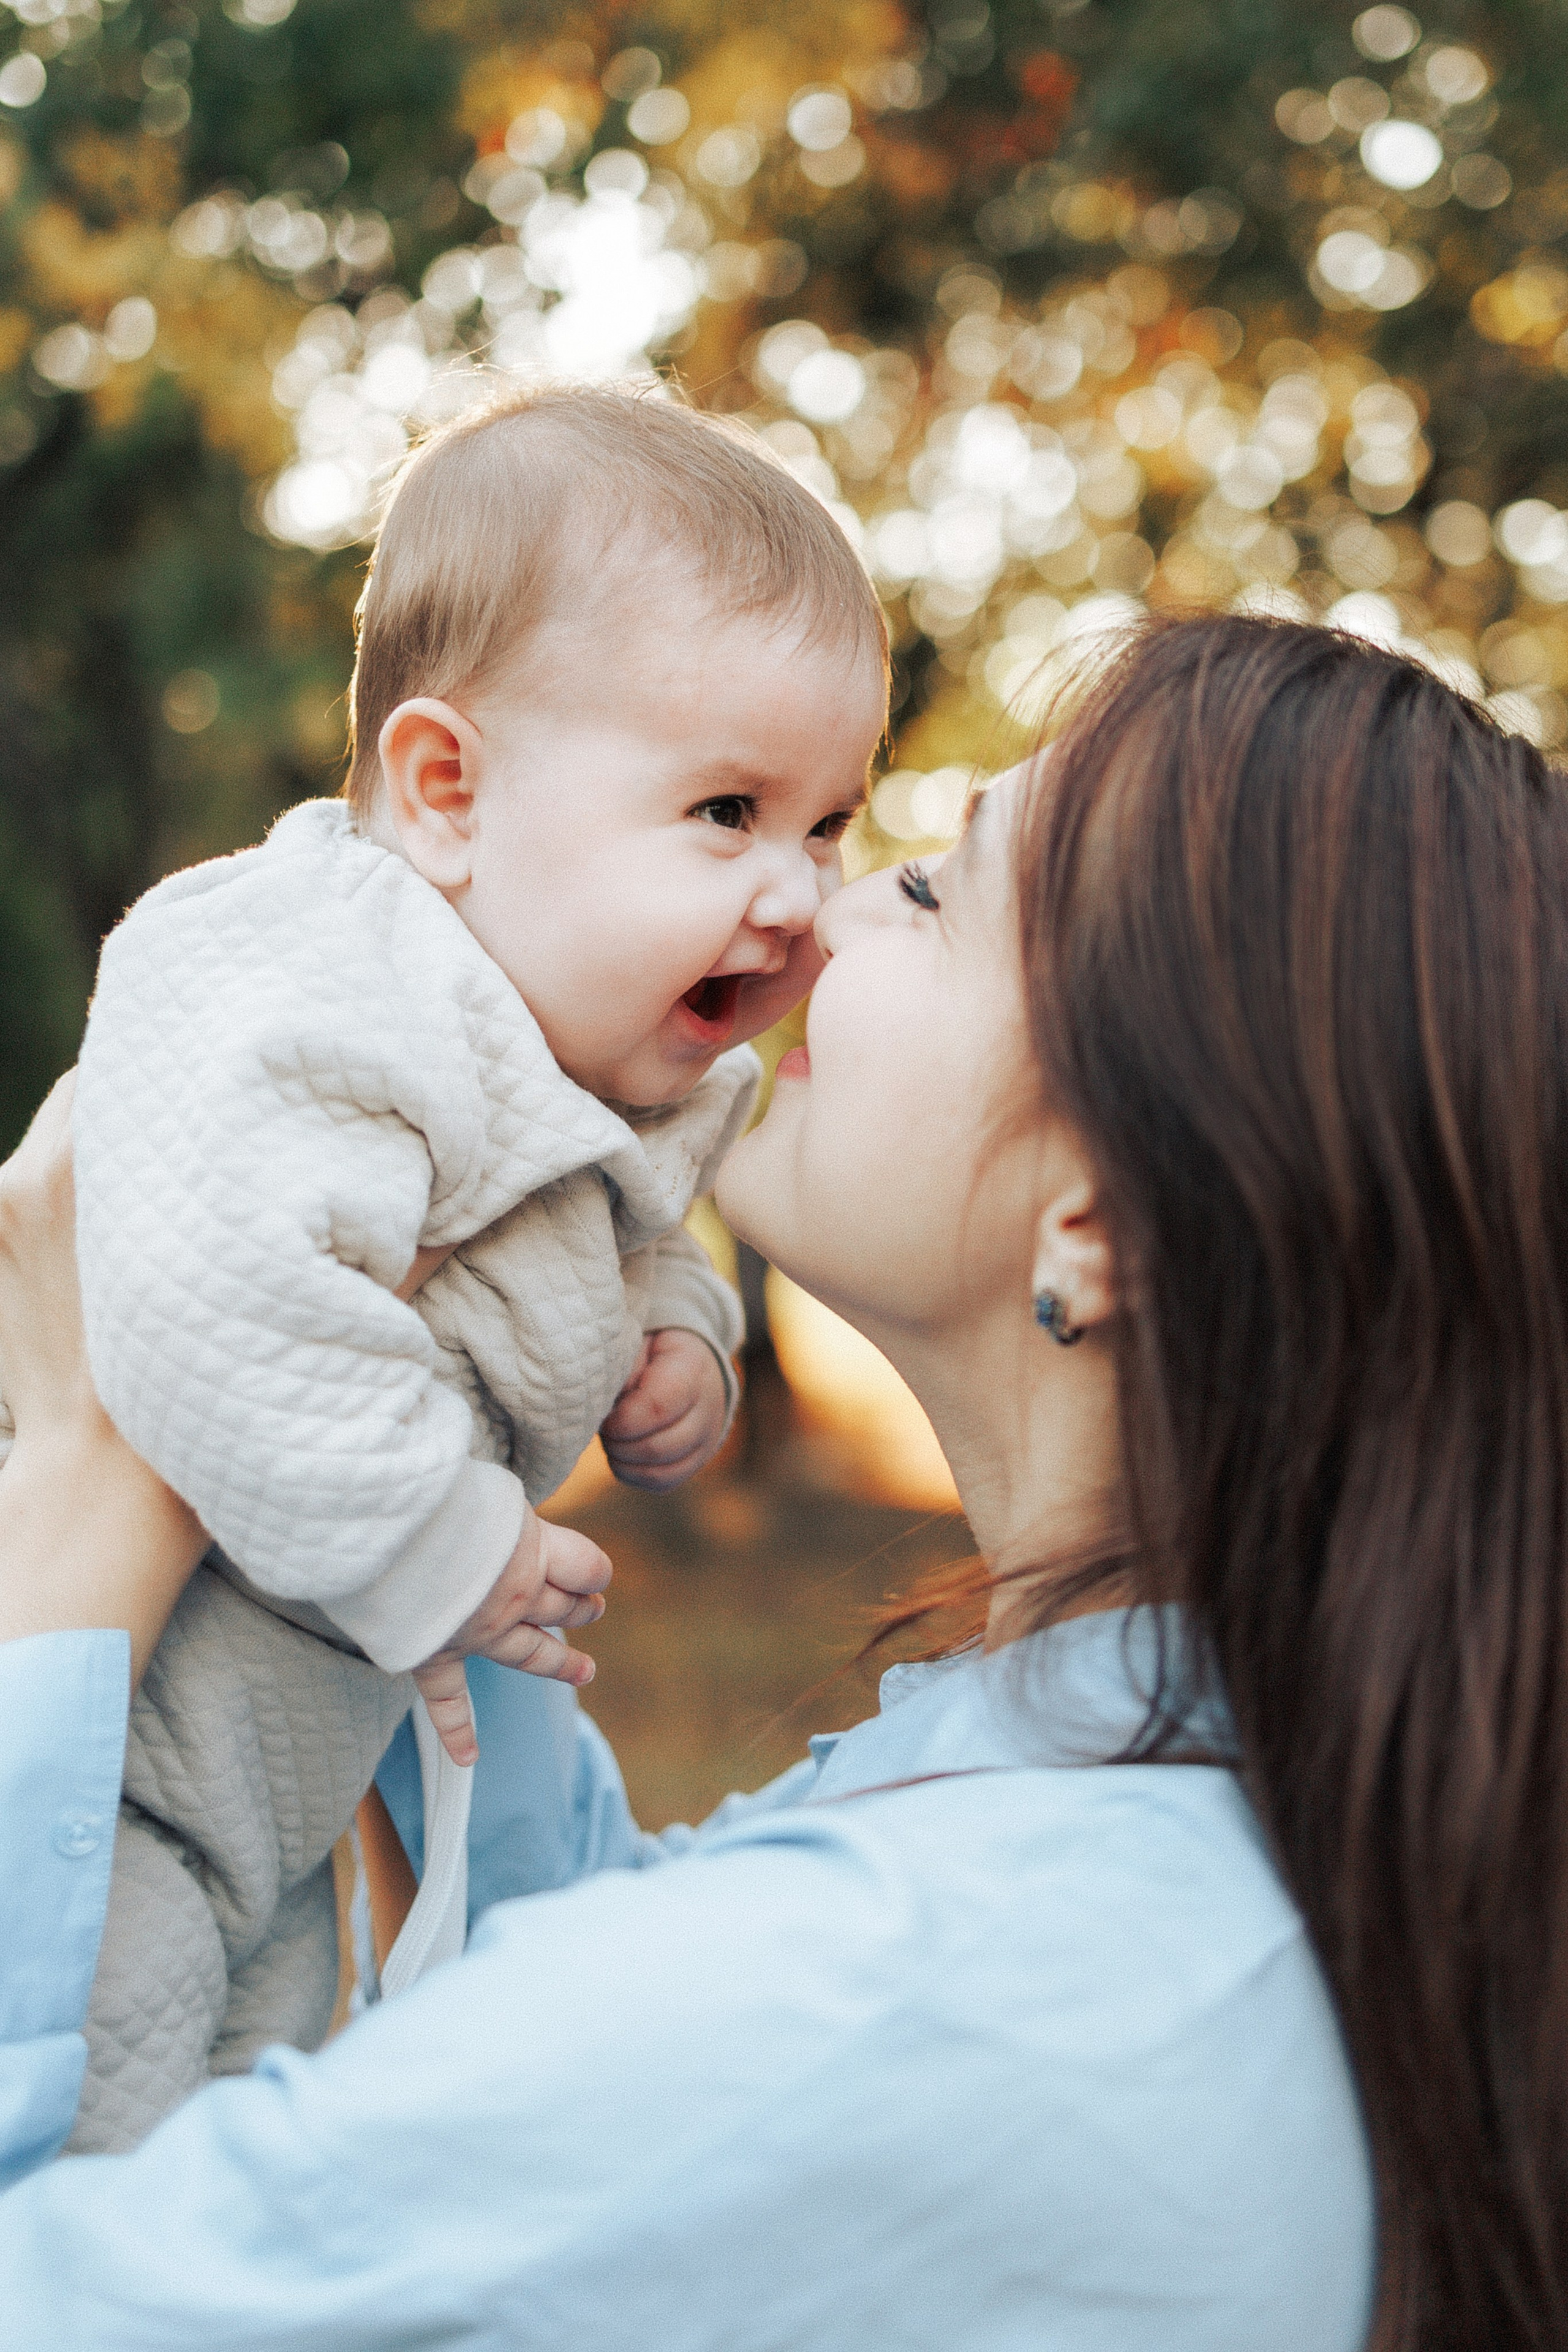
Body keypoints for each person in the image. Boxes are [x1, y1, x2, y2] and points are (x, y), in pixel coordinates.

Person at [2, 611, 1561, 2346]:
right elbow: (592, 1987)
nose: (820, 905)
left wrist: (82, 1511)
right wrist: (424, 1447)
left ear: (1102, 1221)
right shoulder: (1140, 1800)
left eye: (935, 890)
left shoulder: (911, 1984)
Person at [12, 382, 889, 2153]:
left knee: (241, 2120)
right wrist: (446, 1546)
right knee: (91, 2136)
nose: (798, 894)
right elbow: (214, 1309)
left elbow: (629, 1232)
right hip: (99, 1721)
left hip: (278, 1761)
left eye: (830, 826)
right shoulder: (307, 979)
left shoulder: (589, 1058)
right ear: (445, 793)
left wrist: (683, 1347)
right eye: (727, 810)